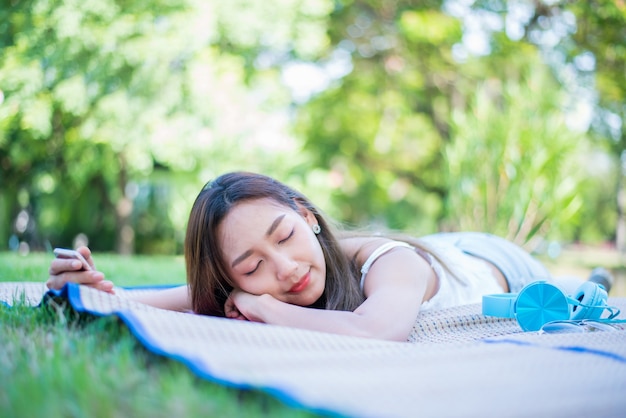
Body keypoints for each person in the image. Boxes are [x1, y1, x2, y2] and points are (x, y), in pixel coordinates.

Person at [46, 171, 613, 341]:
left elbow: (382, 330)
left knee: (572, 288)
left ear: (307, 215)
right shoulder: (258, 274)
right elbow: (174, 299)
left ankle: (591, 275)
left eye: (286, 236)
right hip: (445, 254)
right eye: (251, 268)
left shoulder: (391, 263)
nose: (285, 269)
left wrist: (265, 307)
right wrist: (94, 288)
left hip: (494, 261)